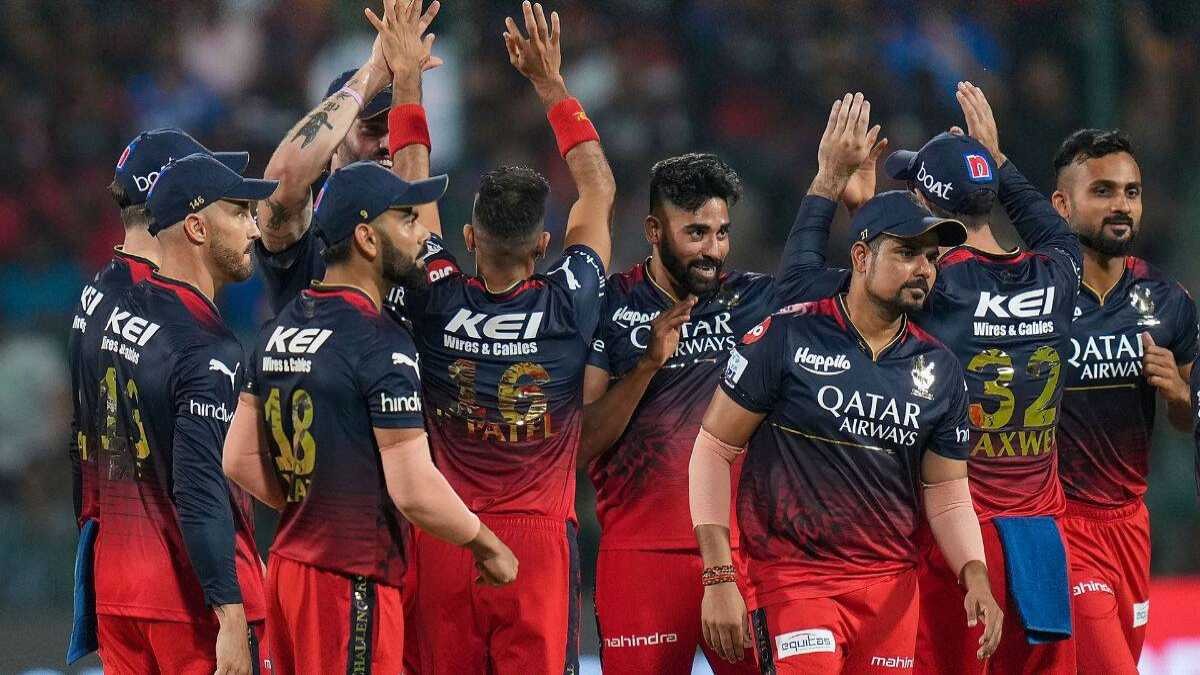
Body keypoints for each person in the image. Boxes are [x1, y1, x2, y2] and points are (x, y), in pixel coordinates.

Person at [802, 84, 1080, 673]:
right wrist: (995, 161)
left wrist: (844, 198)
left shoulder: (937, 286)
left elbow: (803, 287)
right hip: (1042, 540)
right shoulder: (1058, 274)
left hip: (955, 535)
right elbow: (1051, 230)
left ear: (928, 206)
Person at [690, 180, 1002, 673]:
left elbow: (947, 494)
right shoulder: (786, 335)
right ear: (861, 257)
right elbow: (713, 449)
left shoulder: (940, 369)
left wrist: (975, 574)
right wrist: (718, 574)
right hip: (795, 580)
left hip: (890, 592)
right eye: (907, 253)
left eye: (930, 258)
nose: (923, 269)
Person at [385, 2, 615, 670]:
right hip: (538, 545)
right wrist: (551, 83)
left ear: (467, 237)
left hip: (445, 530)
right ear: (544, 245)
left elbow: (411, 182)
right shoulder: (570, 301)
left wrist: (407, 74)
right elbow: (598, 190)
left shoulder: (435, 292)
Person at [222, 161, 517, 673]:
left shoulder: (279, 328)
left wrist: (312, 504)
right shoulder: (381, 343)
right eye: (406, 218)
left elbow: (239, 459)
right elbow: (413, 488)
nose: (423, 234)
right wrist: (485, 544)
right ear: (366, 238)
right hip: (351, 579)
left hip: (288, 573)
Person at [65, 128, 249, 663]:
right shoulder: (169, 310)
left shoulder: (97, 292)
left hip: (116, 563)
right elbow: (197, 477)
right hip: (181, 580)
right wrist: (227, 595)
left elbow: (82, 436)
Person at [1050, 129, 1197, 673]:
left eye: (1131, 192)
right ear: (1062, 205)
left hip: (1131, 523)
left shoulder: (1168, 301)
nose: (1122, 206)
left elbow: (1186, 419)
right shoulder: (1037, 296)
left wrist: (1179, 393)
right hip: (1060, 520)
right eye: (1103, 191)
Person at [254, 0, 441, 313]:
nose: (388, 144)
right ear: (332, 145)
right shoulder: (306, 236)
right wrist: (375, 72)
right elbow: (284, 177)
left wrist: (408, 78)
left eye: (394, 132)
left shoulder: (414, 230)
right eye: (372, 130)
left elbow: (414, 184)